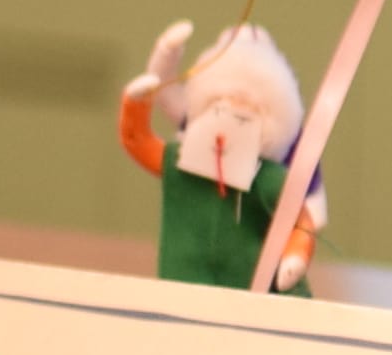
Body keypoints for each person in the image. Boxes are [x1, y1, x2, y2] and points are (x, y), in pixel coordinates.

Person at [113, 19, 321, 291]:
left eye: (246, 112)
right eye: (222, 105)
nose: (232, 114)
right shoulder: (183, 163)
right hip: (183, 285)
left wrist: (295, 255)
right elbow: (138, 141)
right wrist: (135, 103)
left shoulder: (267, 179)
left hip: (246, 293)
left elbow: (301, 220)